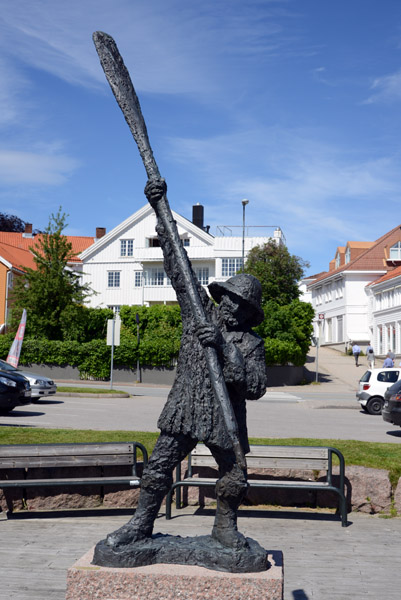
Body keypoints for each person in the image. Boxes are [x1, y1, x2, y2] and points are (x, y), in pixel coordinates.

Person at [104, 179, 268, 551]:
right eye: (226, 297)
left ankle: (224, 528)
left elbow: (255, 388)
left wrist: (228, 354)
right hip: (186, 406)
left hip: (224, 417)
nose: (228, 304)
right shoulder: (197, 314)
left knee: (234, 474)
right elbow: (179, 267)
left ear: (248, 311)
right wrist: (161, 212)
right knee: (159, 467)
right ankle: (140, 525)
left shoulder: (251, 342)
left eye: (237, 302)